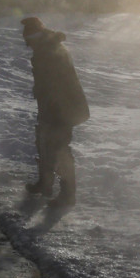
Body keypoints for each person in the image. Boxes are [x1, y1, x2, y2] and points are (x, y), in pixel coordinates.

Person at [21, 16, 89, 208]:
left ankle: (68, 195)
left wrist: (53, 109)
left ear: (35, 37)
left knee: (59, 149)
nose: (29, 46)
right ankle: (45, 183)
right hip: (51, 107)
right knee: (43, 143)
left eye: (29, 41)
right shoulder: (45, 48)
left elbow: (59, 84)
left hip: (63, 109)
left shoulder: (51, 51)